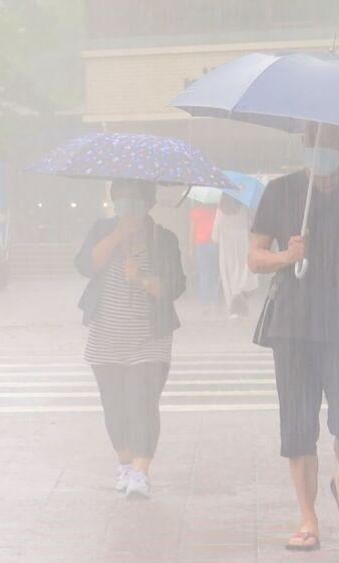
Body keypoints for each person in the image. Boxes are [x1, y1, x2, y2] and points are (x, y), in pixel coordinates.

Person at [248, 122, 339, 551]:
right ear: (303, 144)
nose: (321, 150)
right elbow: (255, 257)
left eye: (329, 142)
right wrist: (286, 255)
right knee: (298, 423)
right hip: (292, 326)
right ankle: (307, 517)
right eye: (313, 142)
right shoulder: (280, 192)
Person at [73, 179, 186, 500]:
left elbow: (174, 288)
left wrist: (142, 278)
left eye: (134, 198)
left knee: (142, 402)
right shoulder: (102, 230)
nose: (127, 204)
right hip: (106, 335)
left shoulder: (163, 239)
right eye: (120, 198)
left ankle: (140, 471)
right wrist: (117, 236)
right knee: (115, 405)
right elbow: (86, 266)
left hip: (149, 338)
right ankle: (124, 464)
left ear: (149, 203)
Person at [211, 194, 258, 318]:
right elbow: (250, 226)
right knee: (242, 273)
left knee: (229, 274)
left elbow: (215, 234)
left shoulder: (221, 209)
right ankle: (241, 302)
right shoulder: (244, 208)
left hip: (227, 245)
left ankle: (232, 306)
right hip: (243, 243)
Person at [190, 202, 219, 313]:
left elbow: (192, 231)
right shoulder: (217, 211)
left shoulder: (196, 212)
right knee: (216, 274)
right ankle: (216, 302)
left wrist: (191, 248)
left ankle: (205, 303)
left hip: (202, 246)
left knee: (204, 275)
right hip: (215, 245)